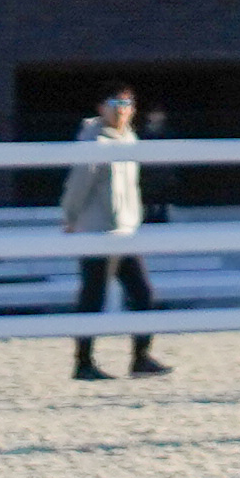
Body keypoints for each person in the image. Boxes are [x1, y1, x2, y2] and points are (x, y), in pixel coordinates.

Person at [60, 85, 163, 381]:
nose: (121, 109)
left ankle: (141, 357)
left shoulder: (129, 139)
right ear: (101, 108)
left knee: (142, 293)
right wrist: (70, 216)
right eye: (115, 103)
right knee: (94, 296)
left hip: (124, 229)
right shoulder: (94, 142)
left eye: (127, 103)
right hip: (97, 228)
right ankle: (83, 362)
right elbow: (78, 185)